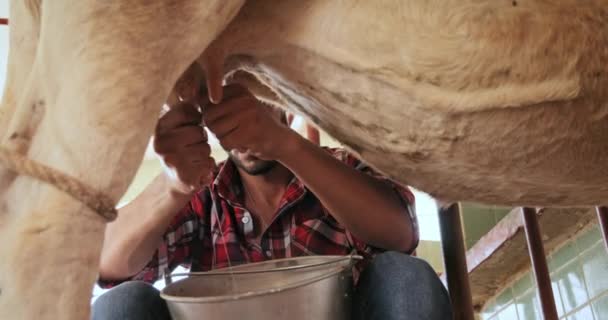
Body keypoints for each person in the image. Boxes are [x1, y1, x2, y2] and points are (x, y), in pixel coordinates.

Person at [92, 85, 452, 320]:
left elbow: (400, 235)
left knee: (406, 277)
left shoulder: (343, 167)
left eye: (255, 99)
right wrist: (172, 186)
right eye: (224, 100)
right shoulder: (203, 195)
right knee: (120, 306)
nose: (241, 116)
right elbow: (106, 265)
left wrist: (284, 144)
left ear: (286, 104)